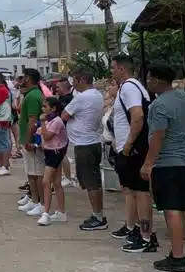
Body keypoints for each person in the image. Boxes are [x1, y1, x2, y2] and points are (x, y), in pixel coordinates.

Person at [141, 63, 185, 272]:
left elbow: (158, 136)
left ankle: (177, 256)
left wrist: (148, 163)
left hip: (167, 162)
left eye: (150, 79)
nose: (148, 82)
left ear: (159, 80)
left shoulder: (158, 106)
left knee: (172, 210)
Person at [108, 55, 157, 254]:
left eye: (113, 68)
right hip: (129, 149)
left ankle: (146, 237)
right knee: (134, 192)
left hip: (134, 150)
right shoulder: (130, 87)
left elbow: (137, 116)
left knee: (142, 194)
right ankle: (138, 230)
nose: (111, 72)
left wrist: (128, 145)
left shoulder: (129, 88)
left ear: (122, 69)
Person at [60, 68, 107, 231]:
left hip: (84, 144)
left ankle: (98, 216)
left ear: (82, 80)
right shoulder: (97, 95)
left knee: (90, 183)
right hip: (93, 142)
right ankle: (97, 214)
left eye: (75, 81)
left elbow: (64, 115)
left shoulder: (82, 97)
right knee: (93, 181)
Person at [17, 69, 47, 217]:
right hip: (28, 138)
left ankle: (41, 203)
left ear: (29, 79)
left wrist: (29, 139)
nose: (21, 80)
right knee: (31, 172)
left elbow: (33, 121)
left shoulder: (33, 96)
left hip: (33, 140)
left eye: (23, 77)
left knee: (37, 173)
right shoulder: (30, 95)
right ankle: (35, 200)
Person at [35, 96, 68, 226]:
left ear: (53, 108)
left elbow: (47, 136)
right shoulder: (51, 121)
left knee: (45, 181)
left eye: (45, 106)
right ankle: (61, 211)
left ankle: (46, 212)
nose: (43, 109)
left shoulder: (57, 121)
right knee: (57, 182)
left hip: (55, 153)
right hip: (50, 152)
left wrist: (42, 123)